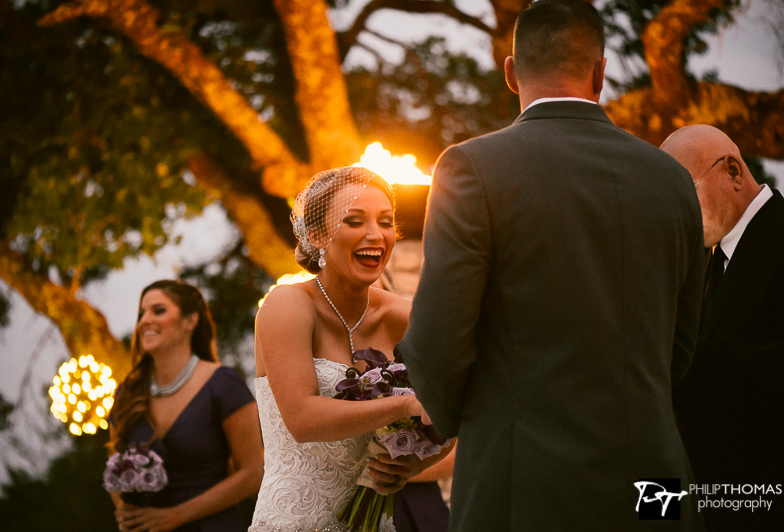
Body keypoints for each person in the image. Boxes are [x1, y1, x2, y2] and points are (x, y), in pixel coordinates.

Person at [396, 1, 706, 530]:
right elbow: (680, 350)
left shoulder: (472, 169)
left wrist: (436, 427)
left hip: (525, 489)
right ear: (600, 73)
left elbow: (439, 343)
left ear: (512, 74)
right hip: (656, 489)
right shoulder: (671, 179)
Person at [250, 166, 452, 531]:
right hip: (294, 522)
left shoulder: (404, 317)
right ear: (317, 234)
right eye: (355, 221)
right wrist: (407, 403)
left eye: (386, 221)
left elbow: (460, 414)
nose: (376, 235)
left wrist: (414, 466)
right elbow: (302, 419)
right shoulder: (287, 305)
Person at [661, 124, 784, 530]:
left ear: (732, 171)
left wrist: (671, 348)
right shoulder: (708, 259)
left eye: (683, 195)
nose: (676, 215)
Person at [108, 279, 264, 532]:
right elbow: (115, 463)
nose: (144, 320)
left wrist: (175, 516)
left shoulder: (223, 384)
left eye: (158, 310)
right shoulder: (127, 394)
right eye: (141, 313)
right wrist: (125, 512)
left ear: (190, 321)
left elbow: (252, 474)